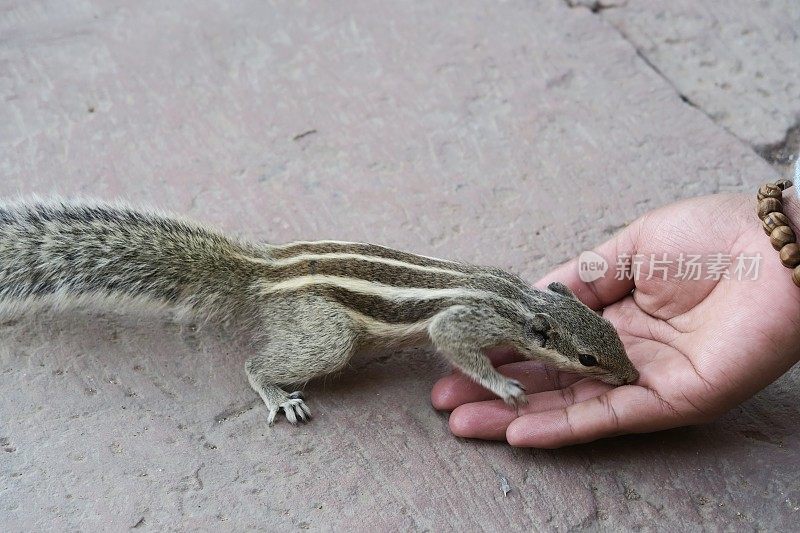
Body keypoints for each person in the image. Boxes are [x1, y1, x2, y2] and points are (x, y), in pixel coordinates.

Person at [431, 189, 800, 447]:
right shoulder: (501, 321)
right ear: (541, 337)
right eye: (588, 361)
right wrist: (493, 379)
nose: (628, 375)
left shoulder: (514, 299)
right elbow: (444, 330)